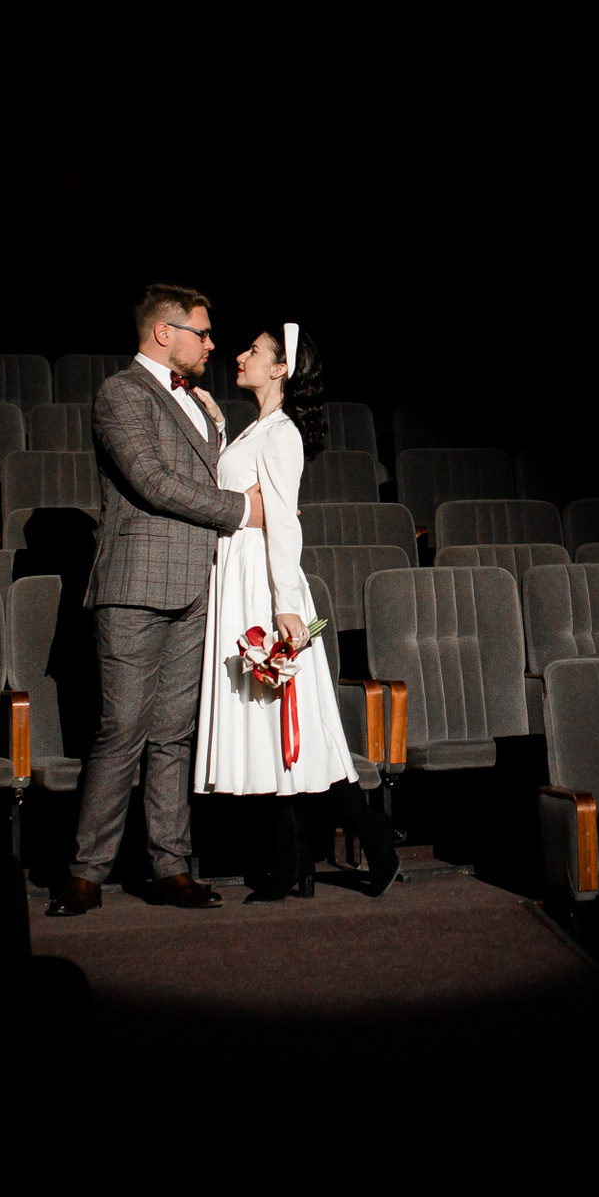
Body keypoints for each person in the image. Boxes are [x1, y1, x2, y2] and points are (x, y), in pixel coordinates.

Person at [46, 284, 270, 916]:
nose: (212, 344)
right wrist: (240, 511)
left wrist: (221, 432)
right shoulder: (121, 392)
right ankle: (86, 873)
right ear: (164, 333)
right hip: (137, 586)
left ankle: (170, 867)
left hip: (198, 584)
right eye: (202, 332)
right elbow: (151, 481)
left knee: (173, 735)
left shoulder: (199, 400)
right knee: (122, 729)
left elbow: (204, 471)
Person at [193, 323, 401, 901]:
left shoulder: (283, 433)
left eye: (254, 351)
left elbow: (283, 520)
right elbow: (240, 484)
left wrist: (286, 605)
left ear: (280, 367)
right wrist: (218, 426)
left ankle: (364, 837)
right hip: (243, 580)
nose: (240, 355)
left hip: (266, 587)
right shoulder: (257, 428)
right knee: (270, 725)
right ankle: (295, 860)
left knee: (293, 723)